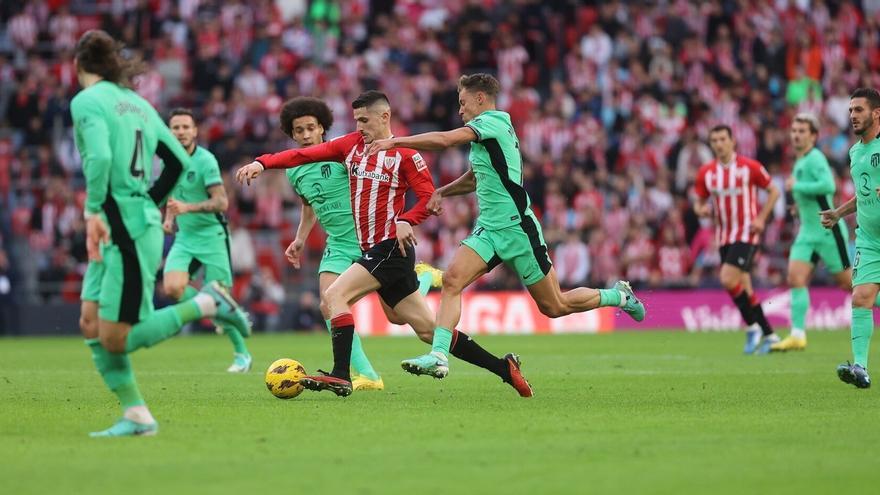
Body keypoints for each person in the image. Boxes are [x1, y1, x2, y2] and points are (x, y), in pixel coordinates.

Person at [236, 90, 532, 398]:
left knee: (333, 296)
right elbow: (301, 156)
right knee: (428, 331)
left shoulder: (405, 154)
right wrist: (262, 163)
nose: (359, 127)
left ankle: (341, 375)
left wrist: (406, 220)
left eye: (364, 120)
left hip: (388, 247)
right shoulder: (350, 146)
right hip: (379, 252)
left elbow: (430, 199)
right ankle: (504, 368)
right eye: (356, 120)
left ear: (384, 117)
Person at [363, 73, 645, 377]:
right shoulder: (487, 133)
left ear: (480, 99)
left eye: (463, 102)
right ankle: (439, 356)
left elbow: (446, 140)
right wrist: (442, 191)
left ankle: (619, 296)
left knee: (555, 306)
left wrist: (394, 142)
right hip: (489, 228)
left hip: (517, 228)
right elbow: (475, 177)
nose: (460, 110)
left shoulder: (494, 123)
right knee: (453, 279)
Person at [73, 30, 251, 437]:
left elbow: (99, 156)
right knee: (89, 322)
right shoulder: (138, 104)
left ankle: (206, 303)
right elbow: (173, 163)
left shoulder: (86, 101)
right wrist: (147, 200)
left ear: (78, 65)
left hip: (122, 225)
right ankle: (136, 414)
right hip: (130, 219)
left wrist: (94, 210)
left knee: (116, 338)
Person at [279, 96, 442, 391]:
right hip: (338, 244)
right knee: (328, 302)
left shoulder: (343, 154)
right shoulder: (295, 169)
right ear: (291, 134)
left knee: (395, 317)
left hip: (369, 239)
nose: (305, 135)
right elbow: (309, 205)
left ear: (322, 130)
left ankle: (424, 279)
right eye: (298, 130)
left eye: (310, 128)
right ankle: (368, 375)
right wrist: (300, 239)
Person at [161, 108, 252, 373]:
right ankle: (208, 302)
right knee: (172, 288)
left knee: (221, 301)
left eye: (185, 127)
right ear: (169, 132)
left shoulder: (205, 161)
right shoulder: (169, 162)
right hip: (185, 237)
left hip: (212, 236)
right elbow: (172, 196)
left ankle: (242, 355)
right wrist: (169, 219)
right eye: (175, 127)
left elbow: (222, 201)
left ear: (194, 131)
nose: (180, 132)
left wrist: (187, 209)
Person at [694, 124, 781, 354]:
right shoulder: (706, 173)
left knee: (726, 278)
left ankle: (753, 327)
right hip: (724, 236)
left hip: (746, 233)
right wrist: (700, 209)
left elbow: (774, 191)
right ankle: (769, 334)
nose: (719, 144)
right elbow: (699, 201)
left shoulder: (749, 167)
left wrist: (761, 218)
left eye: (723, 139)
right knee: (745, 288)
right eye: (714, 140)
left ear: (733, 141)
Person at [773, 113, 851, 352]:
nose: (796, 134)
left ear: (814, 136)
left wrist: (798, 187)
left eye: (802, 131)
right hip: (807, 231)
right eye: (794, 130)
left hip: (828, 231)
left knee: (850, 285)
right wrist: (799, 207)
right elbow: (813, 196)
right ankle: (797, 334)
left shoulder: (815, 158)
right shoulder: (800, 160)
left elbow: (828, 186)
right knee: (795, 277)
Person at [820, 87, 880, 388]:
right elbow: (863, 195)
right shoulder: (855, 153)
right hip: (869, 240)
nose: (853, 115)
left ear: (876, 113)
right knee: (859, 297)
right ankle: (860, 367)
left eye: (859, 110)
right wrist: (838, 213)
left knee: (866, 296)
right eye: (851, 111)